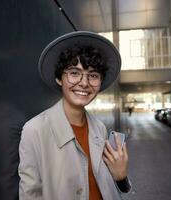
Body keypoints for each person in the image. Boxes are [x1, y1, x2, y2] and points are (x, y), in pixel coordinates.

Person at [18, 31, 131, 200]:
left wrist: (121, 178)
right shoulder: (34, 130)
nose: (84, 83)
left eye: (93, 75)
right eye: (74, 73)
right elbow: (30, 194)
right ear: (59, 78)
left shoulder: (99, 128)